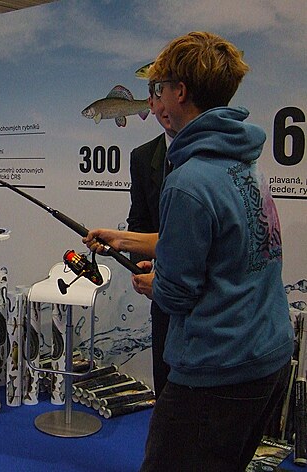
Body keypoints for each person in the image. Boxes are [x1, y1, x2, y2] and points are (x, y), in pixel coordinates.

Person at [84, 32, 293, 471]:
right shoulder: (244, 164)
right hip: (266, 360)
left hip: (216, 371)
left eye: (158, 89)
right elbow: (218, 243)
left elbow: (177, 293)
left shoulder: (188, 181)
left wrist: (154, 284)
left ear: (179, 92)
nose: (156, 100)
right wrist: (123, 239)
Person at [127, 84, 177, 398]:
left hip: (202, 304)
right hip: (162, 292)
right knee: (165, 382)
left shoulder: (210, 160)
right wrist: (140, 263)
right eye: (157, 99)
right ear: (150, 103)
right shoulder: (143, 157)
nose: (164, 108)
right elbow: (139, 221)